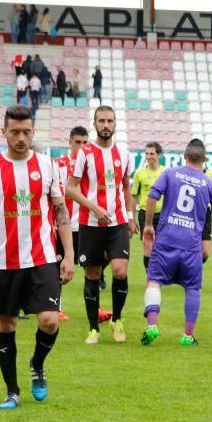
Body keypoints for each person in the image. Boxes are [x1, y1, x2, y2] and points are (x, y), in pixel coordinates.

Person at [0, 105, 75, 409]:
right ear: (3, 132)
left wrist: (68, 255)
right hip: (5, 261)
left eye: (26, 131)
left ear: (33, 132)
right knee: (6, 324)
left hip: (43, 258)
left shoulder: (48, 166)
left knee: (50, 321)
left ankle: (37, 364)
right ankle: (12, 391)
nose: (21, 137)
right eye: (14, 131)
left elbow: (60, 210)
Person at [141, 140, 212, 347]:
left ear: (184, 156)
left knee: (154, 280)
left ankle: (152, 325)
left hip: (166, 241)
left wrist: (148, 225)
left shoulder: (170, 174)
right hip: (191, 246)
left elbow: (153, 195)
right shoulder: (209, 183)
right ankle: (187, 336)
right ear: (204, 160)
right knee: (192, 289)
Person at [65, 106, 135, 344]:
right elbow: (70, 188)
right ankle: (93, 328)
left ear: (116, 124)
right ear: (95, 124)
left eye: (110, 120)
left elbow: (126, 186)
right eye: (102, 121)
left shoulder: (124, 153)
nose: (106, 125)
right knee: (93, 274)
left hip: (117, 223)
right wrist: (93, 207)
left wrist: (130, 215)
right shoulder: (83, 153)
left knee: (120, 270)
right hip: (90, 223)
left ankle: (117, 320)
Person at [55, 126, 113, 324]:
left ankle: (95, 307)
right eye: (77, 142)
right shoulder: (58, 165)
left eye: (84, 142)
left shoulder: (94, 163)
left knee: (95, 267)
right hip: (64, 226)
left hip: (87, 225)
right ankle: (56, 308)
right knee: (58, 266)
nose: (81, 146)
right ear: (70, 141)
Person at [131, 141, 165, 270]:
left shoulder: (166, 172)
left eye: (152, 153)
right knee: (148, 247)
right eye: (147, 154)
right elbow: (134, 196)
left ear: (159, 155)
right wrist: (132, 219)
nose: (149, 156)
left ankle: (158, 274)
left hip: (163, 214)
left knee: (161, 247)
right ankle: (151, 278)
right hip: (145, 214)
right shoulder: (139, 173)